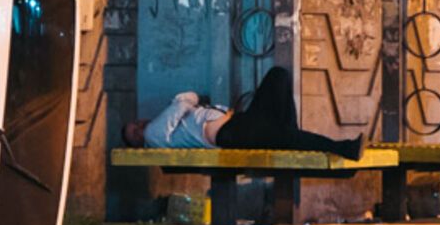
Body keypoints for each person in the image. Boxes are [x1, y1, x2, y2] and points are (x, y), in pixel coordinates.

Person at [122, 66, 364, 160]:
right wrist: (185, 99)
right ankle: (344, 148)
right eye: (134, 133)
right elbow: (181, 104)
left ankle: (291, 134)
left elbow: (187, 103)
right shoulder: (154, 135)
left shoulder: (158, 129)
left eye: (134, 124)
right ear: (138, 143)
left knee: (277, 76)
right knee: (285, 135)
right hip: (231, 133)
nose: (138, 126)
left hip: (238, 123)